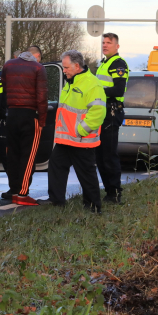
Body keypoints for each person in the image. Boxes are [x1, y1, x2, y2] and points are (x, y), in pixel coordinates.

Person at [45, 50, 106, 213]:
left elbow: (98, 112)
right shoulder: (71, 82)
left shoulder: (92, 84)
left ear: (77, 66)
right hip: (67, 139)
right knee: (56, 165)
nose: (64, 70)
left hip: (81, 139)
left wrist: (80, 131)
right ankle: (56, 201)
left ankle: (93, 207)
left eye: (66, 67)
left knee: (86, 173)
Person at [2, 50, 48, 205]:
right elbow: (42, 96)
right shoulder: (38, 68)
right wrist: (42, 120)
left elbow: (5, 88)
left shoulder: (8, 65)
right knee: (28, 156)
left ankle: (14, 190)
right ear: (35, 56)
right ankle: (23, 193)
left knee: (12, 154)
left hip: (12, 114)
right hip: (30, 115)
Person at [95, 32, 129, 204]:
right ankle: (108, 192)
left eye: (108, 43)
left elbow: (118, 90)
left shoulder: (118, 63)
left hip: (111, 112)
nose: (105, 45)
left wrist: (96, 92)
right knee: (100, 156)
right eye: (103, 42)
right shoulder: (103, 63)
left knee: (109, 154)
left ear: (117, 46)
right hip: (102, 111)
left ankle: (115, 193)